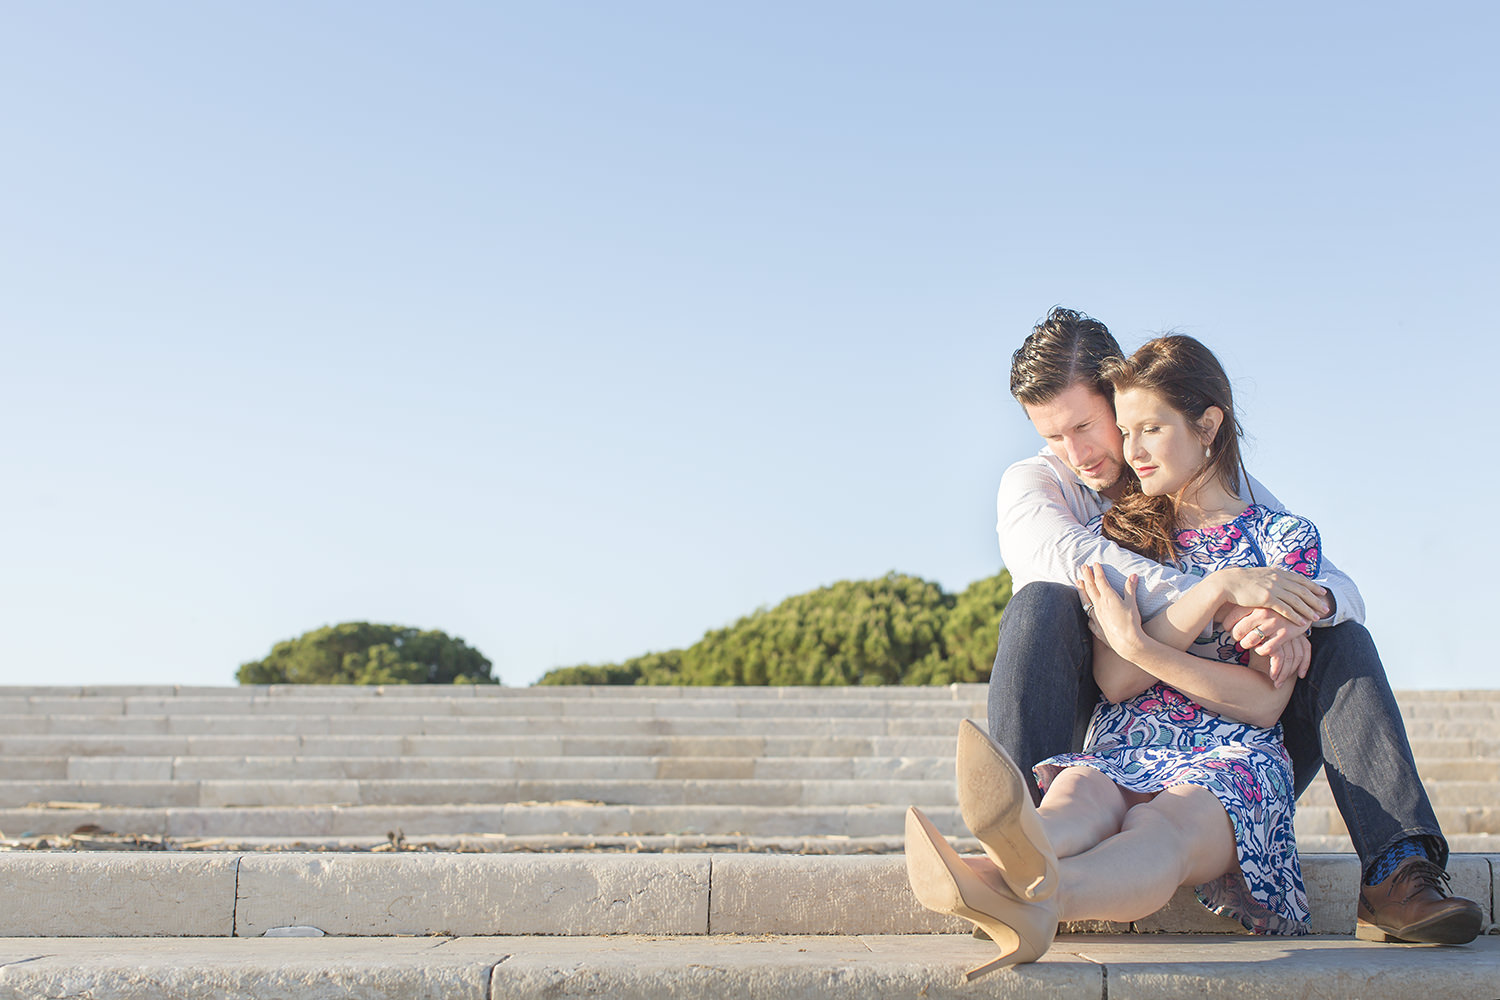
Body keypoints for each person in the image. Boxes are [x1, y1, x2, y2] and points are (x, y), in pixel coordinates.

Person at [904, 335, 1481, 977]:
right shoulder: (1092, 518)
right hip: (1125, 736)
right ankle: (1006, 852)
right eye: (1126, 430)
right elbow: (1113, 669)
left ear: (1203, 424)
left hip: (1231, 751)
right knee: (1077, 790)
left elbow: (1285, 670)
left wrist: (1288, 608)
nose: (1098, 451)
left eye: (1108, 427)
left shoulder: (1274, 528)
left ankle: (1398, 870)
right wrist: (1218, 594)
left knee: (1170, 825)